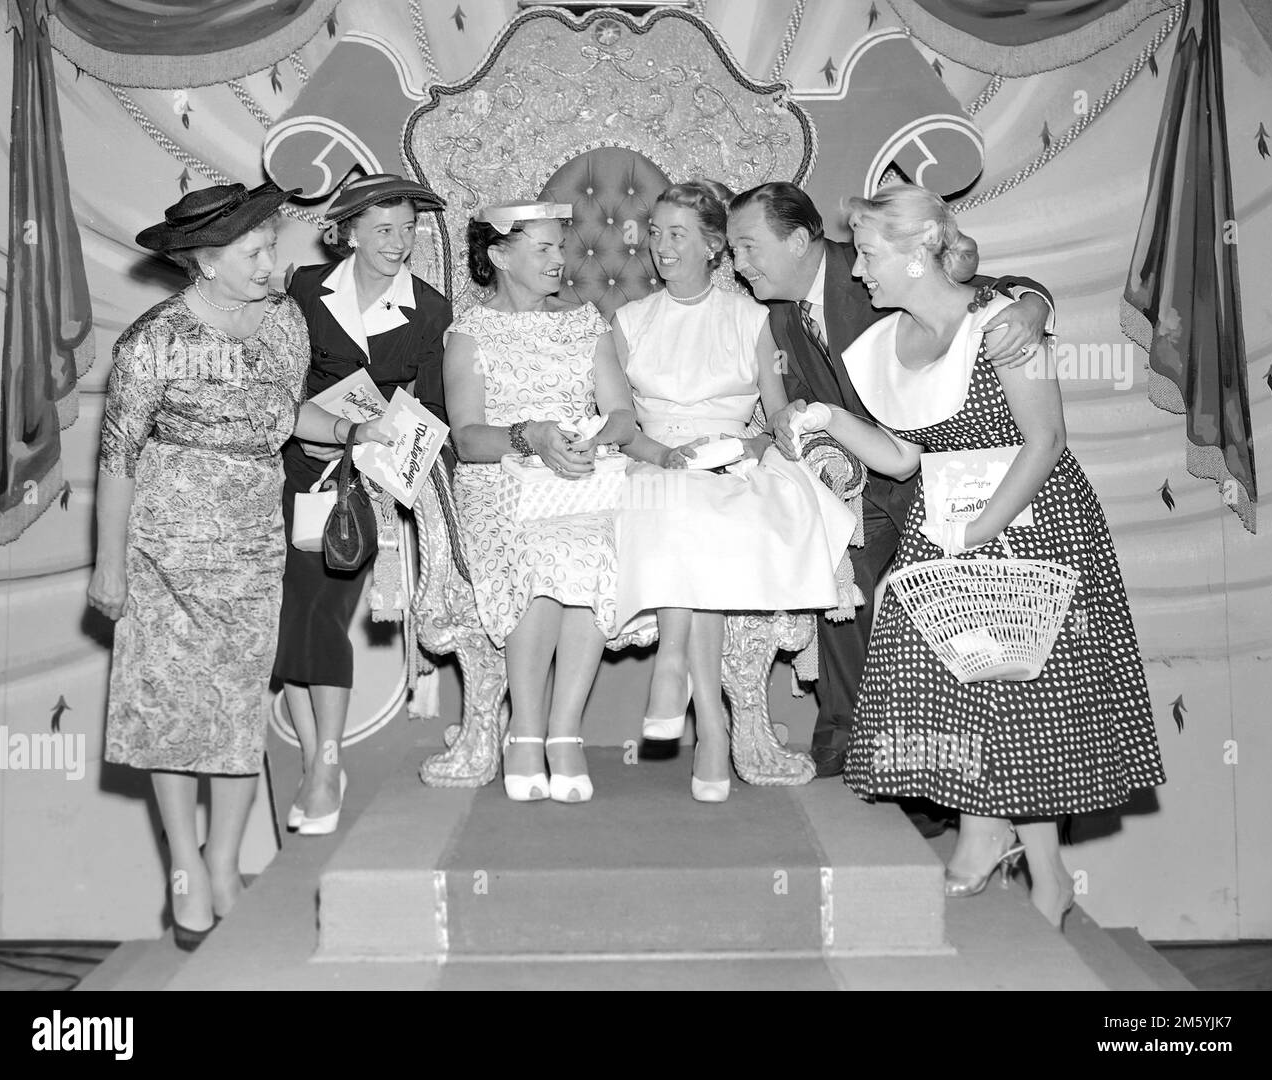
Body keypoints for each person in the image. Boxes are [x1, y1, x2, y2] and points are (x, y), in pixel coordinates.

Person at [776, 183, 1165, 929]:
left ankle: (1023, 861)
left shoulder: (1001, 324)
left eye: (867, 253)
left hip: (1029, 520)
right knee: (957, 685)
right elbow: (899, 458)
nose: (857, 272)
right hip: (951, 523)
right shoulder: (887, 345)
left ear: (921, 252)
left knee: (1021, 694)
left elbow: (1045, 442)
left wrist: (980, 535)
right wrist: (825, 418)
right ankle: (1007, 848)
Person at [88, 181, 391, 948]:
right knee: (169, 709)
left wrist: (361, 433)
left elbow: (289, 418)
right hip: (164, 549)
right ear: (207, 263)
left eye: (267, 247)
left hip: (254, 542)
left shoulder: (284, 324)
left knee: (233, 707)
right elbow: (117, 456)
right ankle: (185, 865)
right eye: (254, 252)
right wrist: (109, 565)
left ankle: (225, 861)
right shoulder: (151, 342)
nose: (270, 262)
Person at [727, 183, 1055, 803]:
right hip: (870, 482)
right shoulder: (778, 317)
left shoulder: (875, 277)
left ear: (799, 241)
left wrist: (1035, 306)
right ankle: (854, 745)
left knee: (975, 655)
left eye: (746, 246)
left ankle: (947, 791)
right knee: (840, 583)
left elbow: (986, 291)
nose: (737, 264)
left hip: (949, 494)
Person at [611, 181, 858, 802]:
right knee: (672, 502)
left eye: (678, 235)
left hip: (731, 460)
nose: (661, 248)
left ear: (714, 246)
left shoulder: (753, 319)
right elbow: (618, 425)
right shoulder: (627, 321)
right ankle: (709, 722)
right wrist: (662, 453)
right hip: (655, 461)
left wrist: (748, 448)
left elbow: (775, 414)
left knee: (708, 512)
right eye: (656, 233)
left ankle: (685, 687)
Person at [443, 202, 651, 803]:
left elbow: (620, 413)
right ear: (500, 256)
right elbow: (467, 438)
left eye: (562, 247)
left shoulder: (586, 321)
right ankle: (525, 734)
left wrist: (589, 441)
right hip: (501, 480)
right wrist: (528, 436)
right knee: (537, 552)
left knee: (591, 545)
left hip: (584, 476)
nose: (560, 260)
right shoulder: (469, 334)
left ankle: (564, 732)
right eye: (544, 249)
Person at [273, 173, 453, 837]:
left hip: (366, 487)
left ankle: (325, 762)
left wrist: (382, 450)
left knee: (319, 606)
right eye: (383, 229)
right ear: (344, 232)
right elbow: (271, 383)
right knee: (289, 611)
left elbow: (433, 410)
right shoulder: (298, 291)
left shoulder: (430, 312)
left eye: (408, 229)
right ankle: (323, 757)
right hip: (288, 472)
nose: (398, 243)